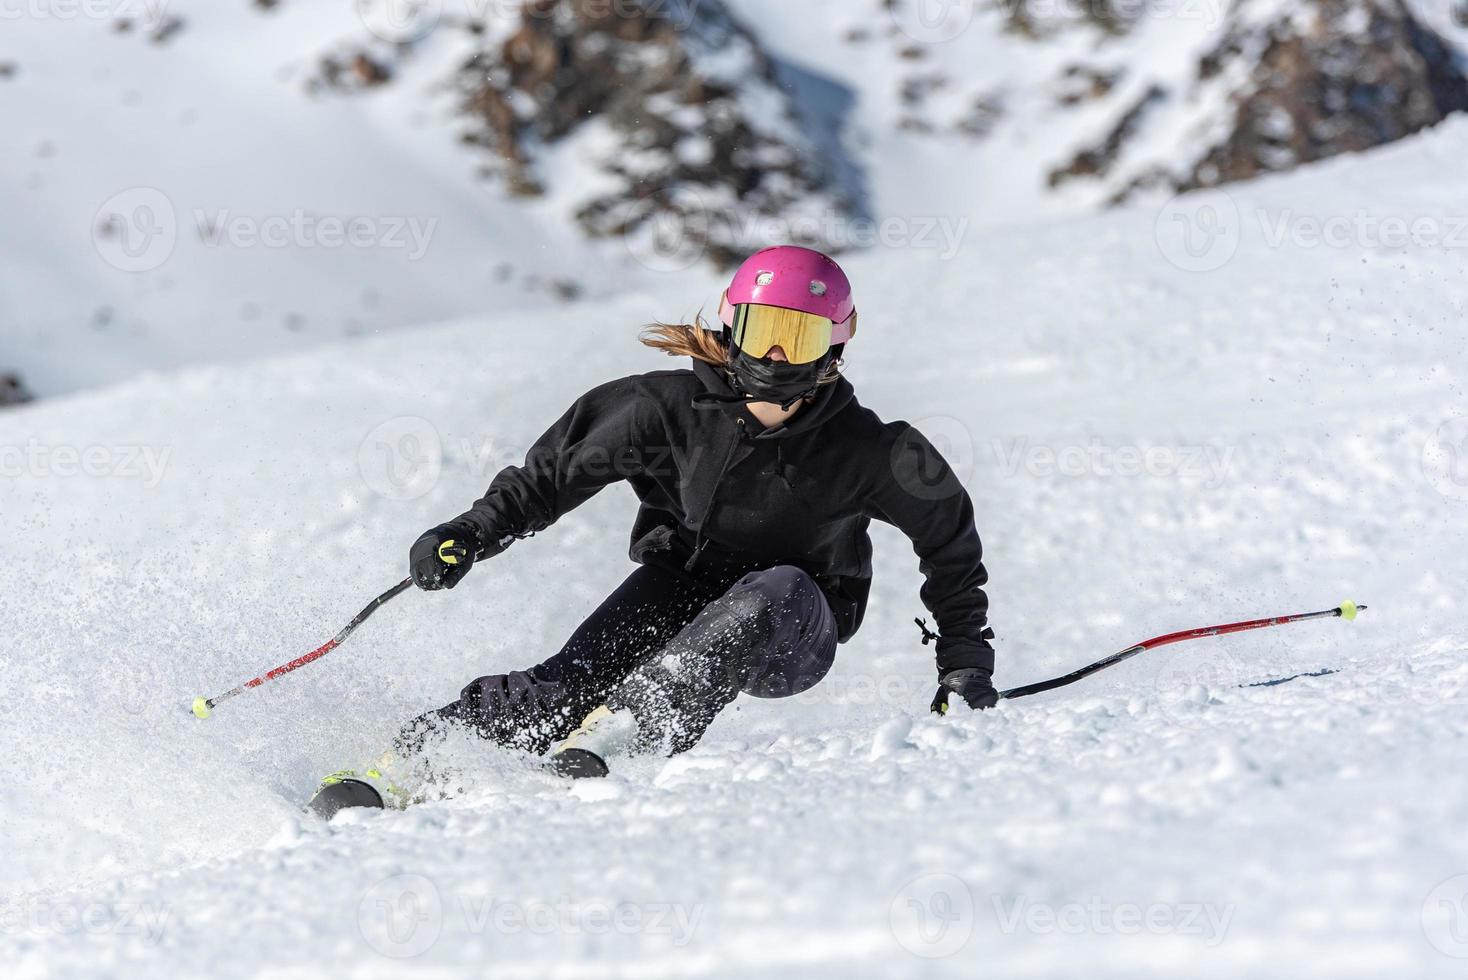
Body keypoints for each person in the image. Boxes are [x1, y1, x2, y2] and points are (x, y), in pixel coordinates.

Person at [402, 245, 997, 778]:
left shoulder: (874, 450)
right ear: (731, 321)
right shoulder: (661, 410)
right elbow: (549, 479)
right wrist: (469, 532)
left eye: (801, 337)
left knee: (773, 590)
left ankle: (634, 726)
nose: (775, 352)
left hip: (793, 624)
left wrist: (963, 663)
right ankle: (423, 754)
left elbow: (950, 545)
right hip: (678, 585)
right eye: (764, 328)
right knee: (567, 684)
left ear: (837, 344)